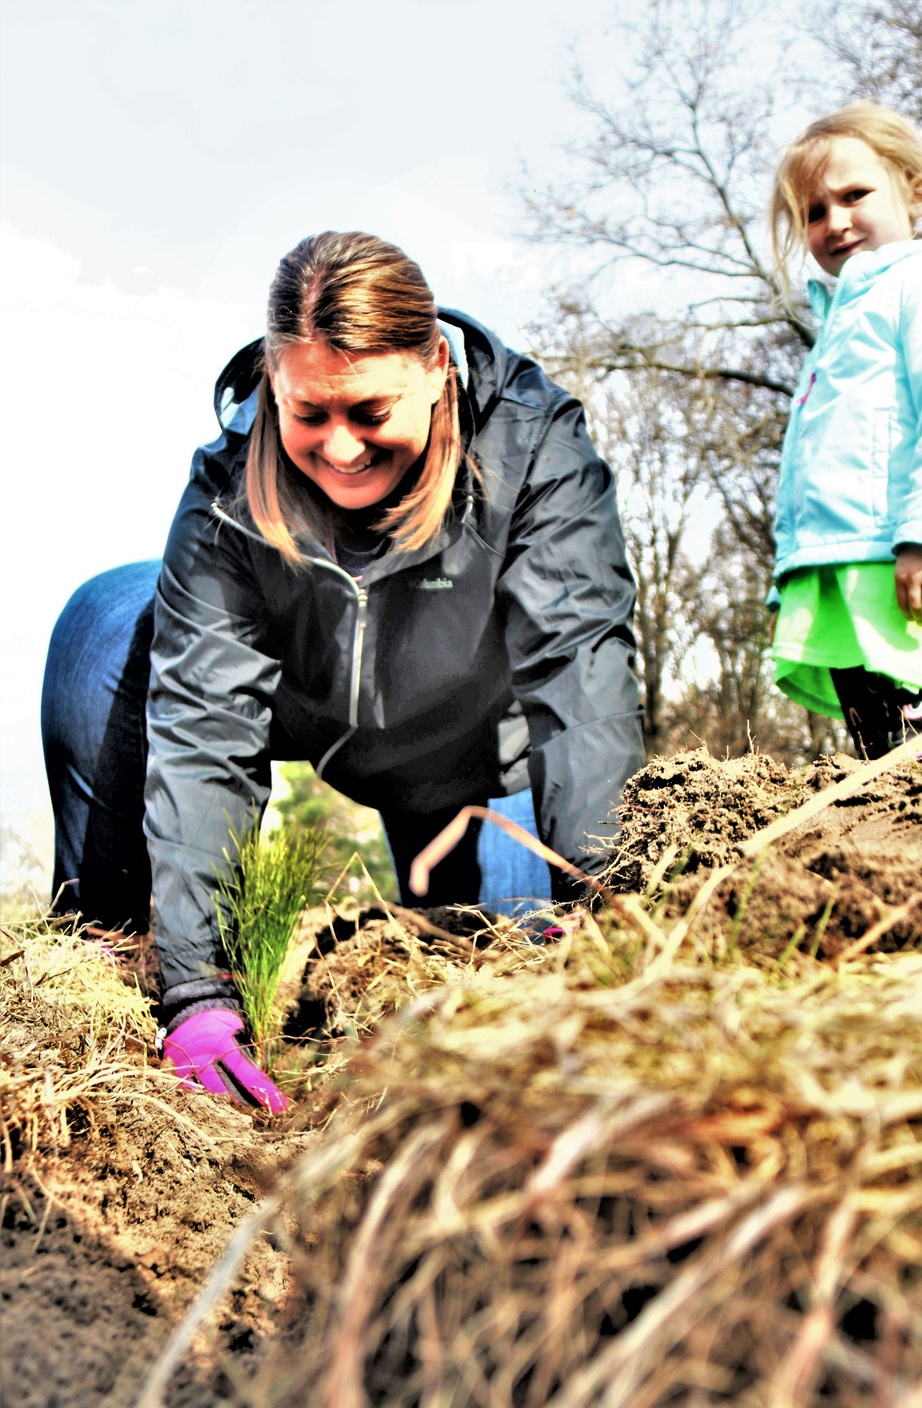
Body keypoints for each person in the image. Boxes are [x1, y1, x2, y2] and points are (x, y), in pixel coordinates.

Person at [41, 230, 644, 1111]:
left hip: (467, 755)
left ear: (438, 366)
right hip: (312, 712)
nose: (342, 449)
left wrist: (607, 917)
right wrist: (197, 990)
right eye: (309, 414)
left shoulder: (532, 450)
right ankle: (117, 945)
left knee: (508, 963)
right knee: (113, 614)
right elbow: (205, 726)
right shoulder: (230, 488)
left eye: (369, 411)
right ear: (274, 384)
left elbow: (580, 684)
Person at [768, 102, 922, 759]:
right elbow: (804, 462)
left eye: (853, 195)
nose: (834, 221)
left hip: (901, 556)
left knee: (920, 746)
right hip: (834, 562)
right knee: (876, 756)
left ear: (914, 191)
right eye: (813, 212)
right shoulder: (837, 320)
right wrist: (786, 575)